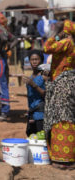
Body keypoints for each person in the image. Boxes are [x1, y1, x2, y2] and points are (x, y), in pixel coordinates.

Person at [43, 20, 75, 169]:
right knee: (68, 117)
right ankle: (69, 157)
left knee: (60, 118)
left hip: (62, 85)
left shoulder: (67, 43)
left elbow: (46, 48)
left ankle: (63, 159)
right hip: (69, 83)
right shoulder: (73, 44)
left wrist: (56, 36)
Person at [22, 50, 47, 136]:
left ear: (41, 61)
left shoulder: (45, 76)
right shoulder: (30, 77)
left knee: (41, 140)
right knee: (31, 138)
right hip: (31, 114)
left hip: (41, 115)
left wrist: (33, 85)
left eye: (37, 59)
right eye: (32, 59)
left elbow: (46, 95)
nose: (34, 61)